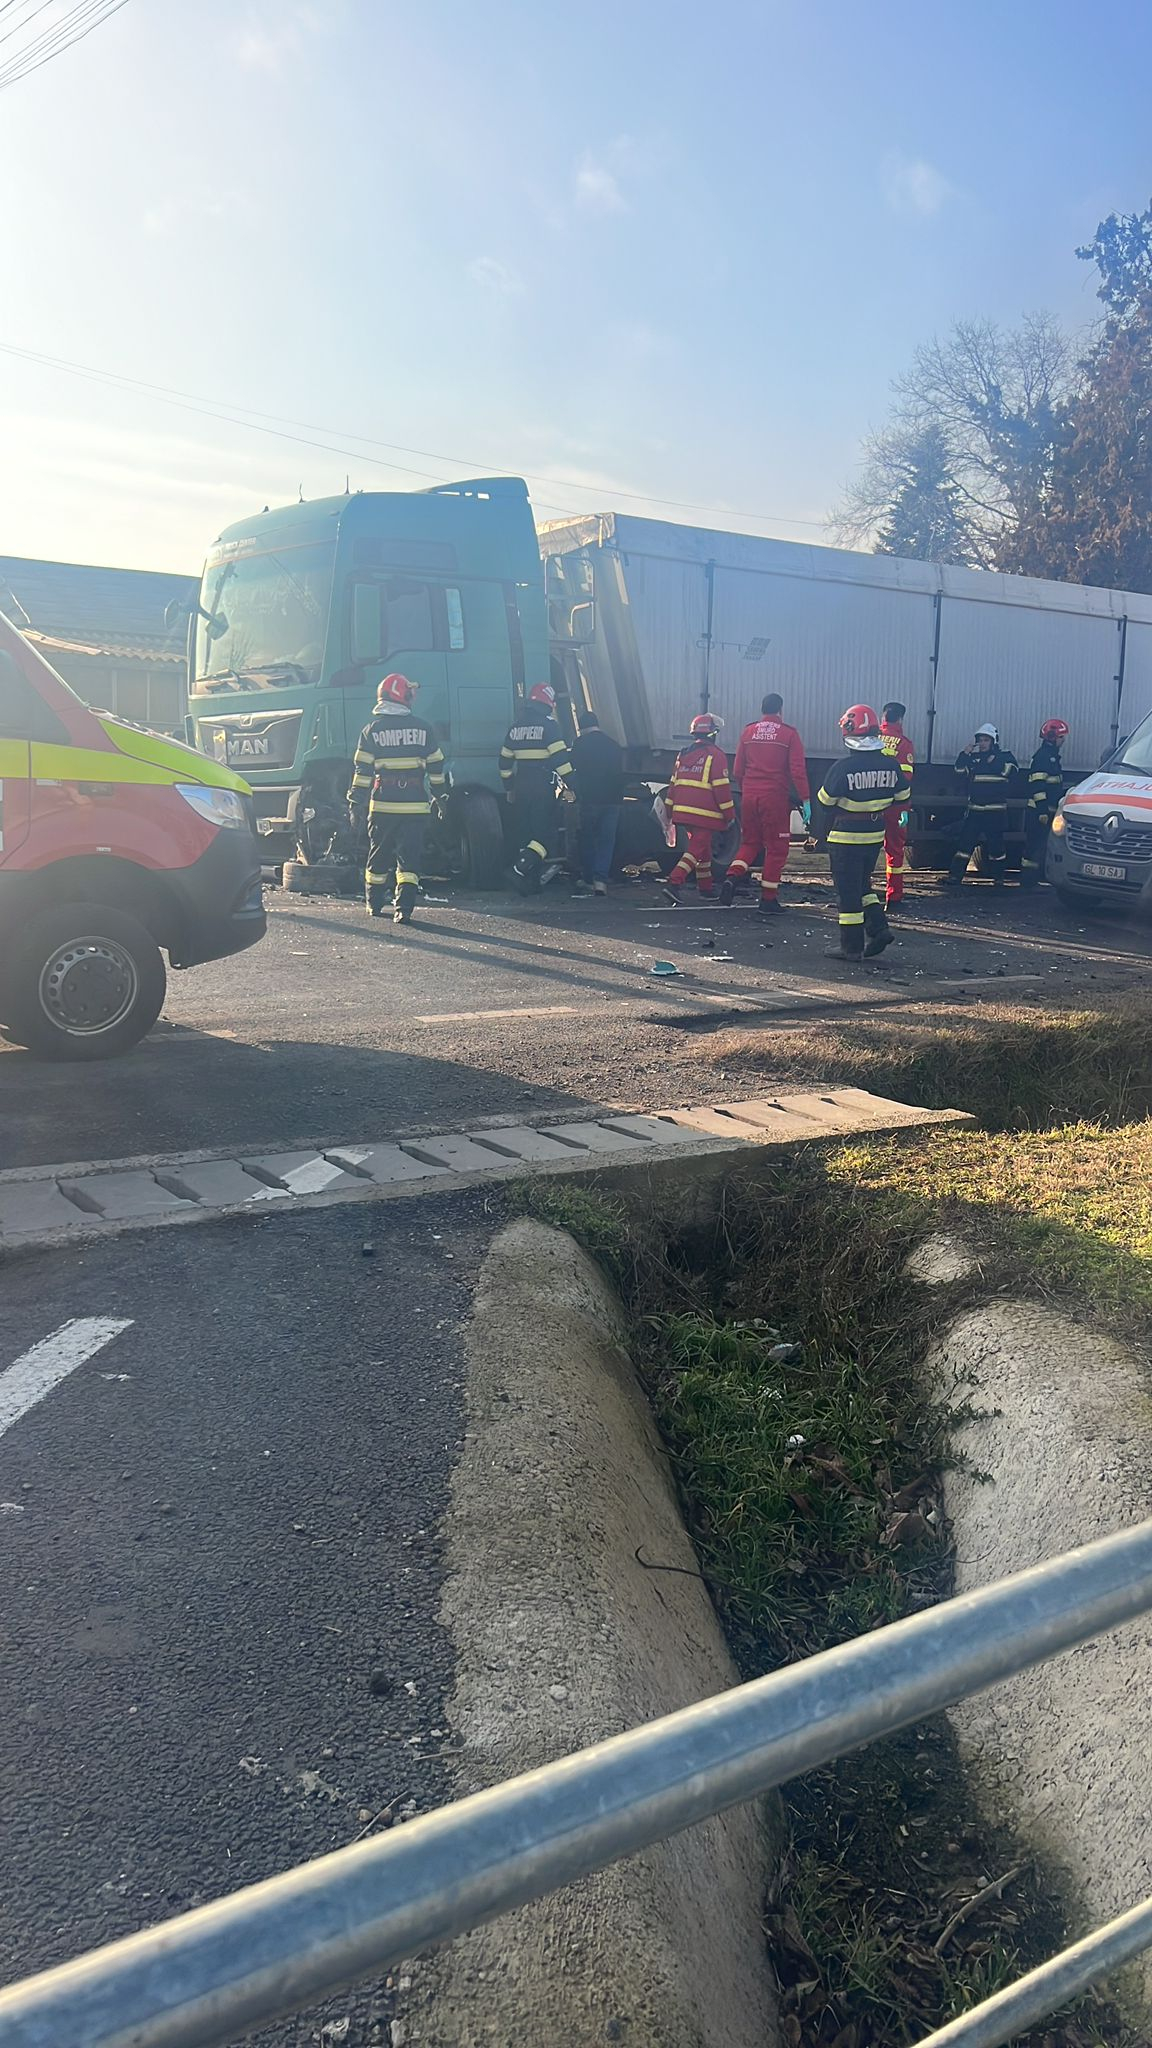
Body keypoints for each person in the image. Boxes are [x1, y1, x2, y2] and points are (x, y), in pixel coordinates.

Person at [347, 673, 446, 923]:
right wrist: (440, 797)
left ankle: (374, 902)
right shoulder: (423, 728)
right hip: (415, 807)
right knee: (409, 860)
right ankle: (404, 908)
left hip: (382, 806)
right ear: (403, 696)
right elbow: (436, 768)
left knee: (378, 855)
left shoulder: (371, 731)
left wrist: (355, 802)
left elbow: (362, 771)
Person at [811, 705, 906, 960]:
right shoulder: (891, 765)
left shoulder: (843, 767)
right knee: (863, 886)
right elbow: (902, 797)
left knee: (848, 893)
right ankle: (879, 929)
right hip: (874, 835)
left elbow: (825, 802)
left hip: (846, 838)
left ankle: (851, 947)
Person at [719, 691, 810, 915]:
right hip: (775, 799)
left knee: (750, 843)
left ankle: (732, 876)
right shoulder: (789, 734)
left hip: (750, 796)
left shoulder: (749, 732)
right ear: (780, 710)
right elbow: (797, 771)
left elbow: (738, 770)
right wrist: (806, 799)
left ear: (762, 710)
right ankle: (768, 900)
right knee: (776, 849)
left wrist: (748, 787)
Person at [499, 682, 573, 893]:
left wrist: (509, 787)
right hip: (542, 787)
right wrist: (574, 788)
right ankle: (518, 869)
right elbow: (562, 762)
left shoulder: (515, 728)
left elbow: (504, 763)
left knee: (526, 834)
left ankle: (527, 883)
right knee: (545, 836)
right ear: (548, 703)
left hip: (521, 787)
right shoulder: (549, 726)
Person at [661, 713, 735, 904]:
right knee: (696, 850)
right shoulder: (716, 755)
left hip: (682, 812)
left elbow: (673, 785)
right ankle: (674, 883)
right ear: (713, 733)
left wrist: (669, 812)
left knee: (703, 851)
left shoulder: (683, 754)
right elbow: (722, 789)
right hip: (705, 814)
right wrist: (730, 815)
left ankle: (705, 887)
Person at [946, 723, 1018, 889]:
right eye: (981, 740)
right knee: (965, 845)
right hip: (975, 810)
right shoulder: (973, 759)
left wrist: (995, 761)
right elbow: (958, 773)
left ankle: (998, 878)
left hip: (996, 811)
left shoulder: (1005, 757)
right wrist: (964, 754)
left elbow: (1012, 772)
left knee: (996, 847)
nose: (983, 743)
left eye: (986, 740)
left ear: (994, 741)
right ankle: (955, 876)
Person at [569, 711, 625, 897]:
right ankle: (600, 880)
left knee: (588, 838)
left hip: (590, 799)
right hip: (613, 800)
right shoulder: (614, 745)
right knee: (606, 841)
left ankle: (587, 878)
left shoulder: (579, 744)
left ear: (582, 727)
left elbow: (572, 770)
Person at [1021, 718, 1069, 888]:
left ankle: (1032, 881)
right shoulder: (1043, 758)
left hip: (1046, 811)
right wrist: (1042, 811)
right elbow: (1037, 787)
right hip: (1038, 812)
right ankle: (1028, 883)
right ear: (1052, 737)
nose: (1063, 741)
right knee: (1034, 846)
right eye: (1061, 737)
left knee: (1040, 846)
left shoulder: (1052, 757)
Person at [879, 701, 915, 909]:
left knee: (865, 850)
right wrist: (904, 808)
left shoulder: (872, 738)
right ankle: (893, 898)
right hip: (894, 805)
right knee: (894, 851)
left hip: (870, 804)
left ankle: (863, 895)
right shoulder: (903, 743)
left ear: (883, 717)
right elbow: (906, 778)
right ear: (900, 719)